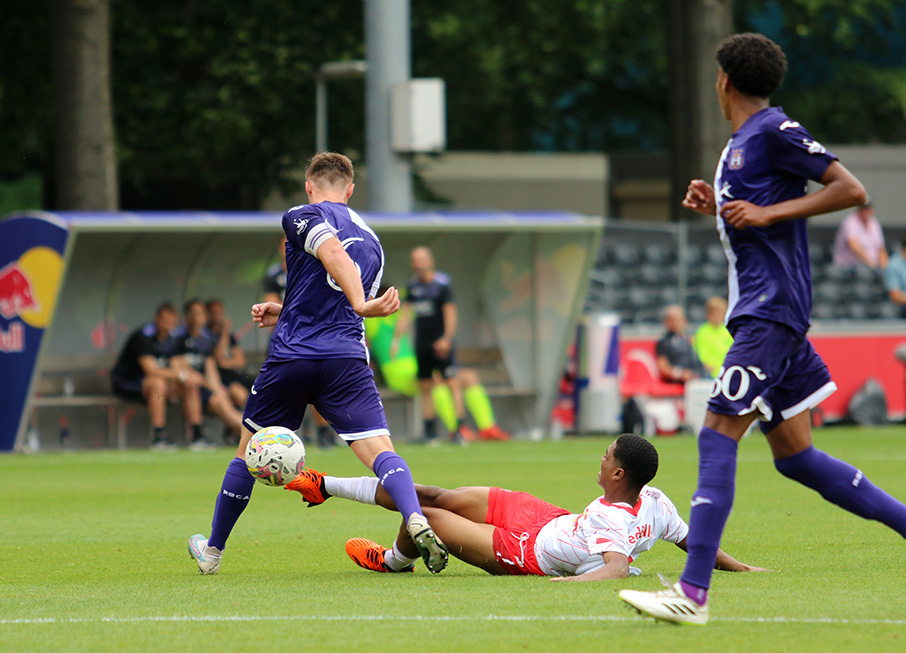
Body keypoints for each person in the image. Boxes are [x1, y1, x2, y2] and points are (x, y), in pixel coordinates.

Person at [619, 33, 906, 626]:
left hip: (770, 313)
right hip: (769, 315)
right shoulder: (742, 145)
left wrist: (767, 212)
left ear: (724, 80)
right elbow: (755, 215)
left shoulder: (774, 130)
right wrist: (717, 205)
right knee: (795, 456)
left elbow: (850, 190)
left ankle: (692, 594)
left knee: (717, 433)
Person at [187, 152, 449, 576]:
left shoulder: (300, 214)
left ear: (310, 187)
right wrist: (285, 309)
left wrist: (360, 303)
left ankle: (212, 552)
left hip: (293, 356)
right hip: (344, 358)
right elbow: (325, 292)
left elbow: (331, 255)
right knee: (380, 451)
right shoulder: (373, 240)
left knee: (246, 452)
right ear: (350, 190)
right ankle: (414, 516)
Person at [287, 434, 765, 580]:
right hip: (548, 518)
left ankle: (394, 562)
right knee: (430, 495)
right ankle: (322, 484)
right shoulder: (656, 502)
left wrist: (565, 585)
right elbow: (694, 543)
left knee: (425, 517)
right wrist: (741, 567)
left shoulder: (609, 518)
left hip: (525, 553)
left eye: (607, 457)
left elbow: (617, 568)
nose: (600, 461)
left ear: (619, 474)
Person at [393, 246, 508, 442]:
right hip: (422, 344)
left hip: (441, 344)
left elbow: (450, 313)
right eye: (415, 260)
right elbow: (406, 314)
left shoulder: (442, 285)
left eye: (421, 259)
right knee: (426, 386)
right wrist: (397, 339)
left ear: (430, 261)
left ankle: (458, 429)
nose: (418, 264)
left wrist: (446, 338)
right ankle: (429, 432)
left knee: (452, 383)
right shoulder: (412, 286)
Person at [262, 234, 337, 448]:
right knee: (286, 389)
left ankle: (323, 433)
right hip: (284, 339)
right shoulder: (274, 275)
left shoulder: (312, 268)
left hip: (313, 338)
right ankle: (285, 437)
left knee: (318, 387)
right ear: (280, 248)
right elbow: (272, 304)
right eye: (286, 244)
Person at [110, 302, 202, 451]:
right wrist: (180, 375)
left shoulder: (173, 339)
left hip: (159, 386)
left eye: (171, 322)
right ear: (156, 319)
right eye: (164, 321)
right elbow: (150, 370)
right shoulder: (143, 336)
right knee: (157, 383)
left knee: (189, 384)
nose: (167, 325)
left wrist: (188, 376)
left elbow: (177, 365)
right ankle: (158, 436)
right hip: (129, 383)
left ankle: (198, 435)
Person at [172, 298, 244, 445]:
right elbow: (177, 365)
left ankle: (247, 432)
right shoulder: (178, 337)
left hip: (204, 386)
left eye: (199, 314)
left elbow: (210, 366)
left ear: (204, 317)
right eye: (192, 314)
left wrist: (217, 388)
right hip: (183, 385)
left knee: (222, 398)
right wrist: (210, 386)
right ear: (186, 316)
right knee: (198, 388)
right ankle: (253, 434)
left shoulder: (206, 340)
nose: (195, 318)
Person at [205, 298, 253, 410]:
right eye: (215, 313)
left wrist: (225, 362)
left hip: (233, 375)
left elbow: (240, 361)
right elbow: (218, 357)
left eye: (220, 312)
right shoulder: (207, 335)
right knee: (240, 395)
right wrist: (224, 331)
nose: (218, 316)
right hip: (219, 378)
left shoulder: (229, 337)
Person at [656, 305, 709, 383]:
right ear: (666, 322)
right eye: (672, 319)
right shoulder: (664, 342)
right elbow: (662, 367)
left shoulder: (689, 339)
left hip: (700, 377)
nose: (675, 322)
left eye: (678, 319)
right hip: (681, 382)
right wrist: (680, 374)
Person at [831, 201, 888, 269]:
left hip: (869, 268)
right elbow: (853, 246)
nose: (866, 211)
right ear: (858, 210)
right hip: (848, 268)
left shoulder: (874, 223)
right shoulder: (850, 222)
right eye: (864, 209)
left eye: (868, 208)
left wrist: (885, 267)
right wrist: (871, 265)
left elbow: (881, 248)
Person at [692, 296, 733, 377]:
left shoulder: (729, 331)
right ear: (708, 314)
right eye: (714, 313)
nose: (717, 316)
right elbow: (702, 358)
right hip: (710, 374)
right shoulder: (701, 333)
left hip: (729, 371)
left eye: (720, 313)